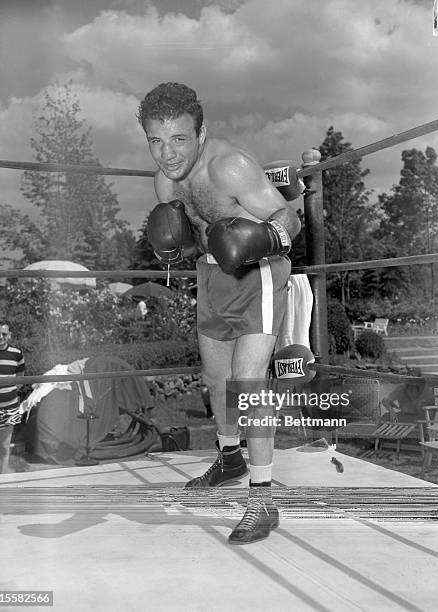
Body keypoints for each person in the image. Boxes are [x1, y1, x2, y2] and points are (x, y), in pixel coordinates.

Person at [138, 82, 301, 544]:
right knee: (216, 383)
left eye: (179, 139)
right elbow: (190, 236)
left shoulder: (231, 167)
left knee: (248, 384)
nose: (167, 153)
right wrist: (175, 247)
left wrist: (260, 239)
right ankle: (229, 457)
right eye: (156, 140)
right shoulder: (165, 180)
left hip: (258, 274)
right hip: (210, 277)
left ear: (201, 132)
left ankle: (262, 501)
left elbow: (289, 219)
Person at [0, 320, 25, 474]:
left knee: (3, 448)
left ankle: (0, 484)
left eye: (4, 334)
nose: (0, 336)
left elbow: (21, 377)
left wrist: (8, 392)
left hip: (8, 408)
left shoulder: (17, 353)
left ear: (9, 335)